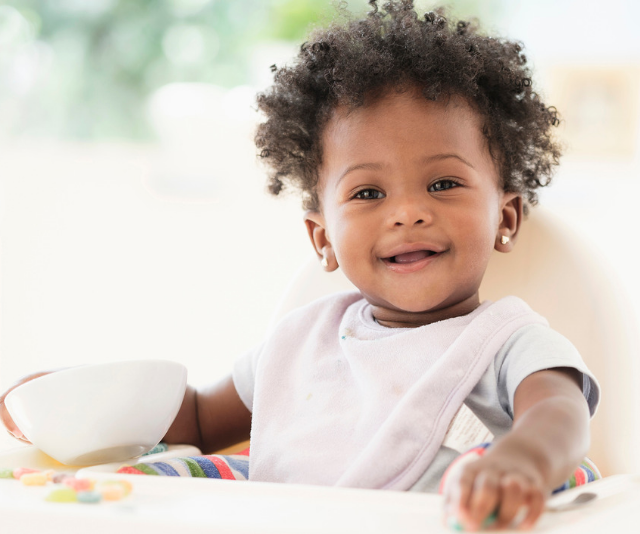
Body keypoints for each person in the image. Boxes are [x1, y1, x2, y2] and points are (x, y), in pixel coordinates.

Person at [1, 1, 599, 530]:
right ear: (323, 238)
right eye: (368, 194)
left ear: (506, 219)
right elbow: (199, 419)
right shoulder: (300, 343)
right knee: (157, 474)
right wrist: (73, 398)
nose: (408, 213)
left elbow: (559, 415)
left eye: (443, 183)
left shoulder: (507, 341)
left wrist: (521, 461)